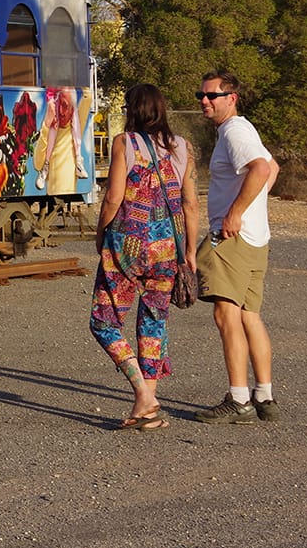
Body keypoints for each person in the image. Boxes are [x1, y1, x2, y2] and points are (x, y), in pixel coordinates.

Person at [88, 84, 199, 431]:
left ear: (133, 110)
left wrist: (100, 233)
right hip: (168, 251)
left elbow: (113, 198)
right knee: (153, 325)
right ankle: (146, 408)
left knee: (103, 321)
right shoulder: (183, 147)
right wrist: (190, 252)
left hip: (128, 250)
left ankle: (143, 393)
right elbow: (191, 204)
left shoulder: (125, 143)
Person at [193, 71, 281, 424]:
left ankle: (239, 400)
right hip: (256, 237)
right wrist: (252, 207)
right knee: (249, 315)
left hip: (234, 238)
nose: (204, 101)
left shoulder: (233, 130)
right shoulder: (242, 129)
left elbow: (261, 168)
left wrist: (235, 213)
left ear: (231, 97)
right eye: (201, 95)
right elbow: (272, 167)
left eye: (212, 95)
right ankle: (264, 396)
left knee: (225, 315)